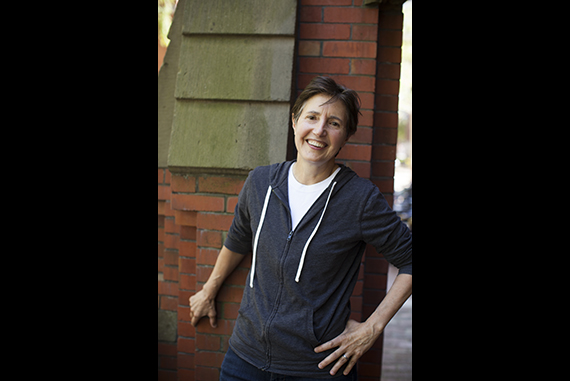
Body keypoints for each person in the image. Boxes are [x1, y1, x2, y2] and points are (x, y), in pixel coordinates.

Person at [189, 76, 413, 380]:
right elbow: (240, 238)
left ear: (345, 136)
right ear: (295, 122)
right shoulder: (260, 182)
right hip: (244, 360)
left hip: (317, 367)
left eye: (334, 123)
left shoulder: (359, 199)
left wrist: (373, 327)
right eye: (311, 117)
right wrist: (208, 290)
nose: (319, 130)